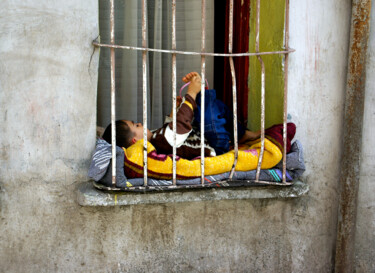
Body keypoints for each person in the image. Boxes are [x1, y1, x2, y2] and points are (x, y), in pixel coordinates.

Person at [102, 72, 260, 160]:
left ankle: (242, 134)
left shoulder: (157, 138)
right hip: (214, 147)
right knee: (206, 105)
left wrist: (175, 111)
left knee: (207, 104)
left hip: (203, 137)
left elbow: (170, 129)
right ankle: (240, 134)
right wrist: (191, 93)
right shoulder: (160, 142)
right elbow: (178, 131)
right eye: (136, 125)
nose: (140, 124)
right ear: (135, 141)